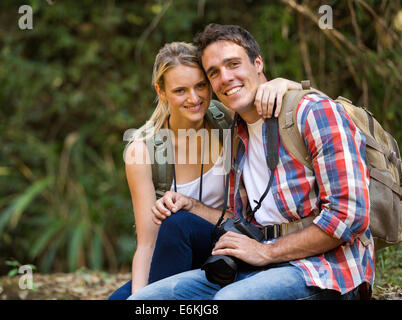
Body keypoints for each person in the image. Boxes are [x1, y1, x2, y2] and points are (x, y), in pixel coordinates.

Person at [128, 24, 374, 300]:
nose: (226, 78)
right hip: (257, 263)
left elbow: (348, 217)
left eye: (233, 64)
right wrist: (192, 206)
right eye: (214, 73)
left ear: (258, 63)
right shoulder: (237, 133)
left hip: (325, 269)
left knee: (227, 300)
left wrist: (267, 252)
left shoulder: (313, 113)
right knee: (144, 301)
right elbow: (240, 219)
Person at [109, 41, 304, 299]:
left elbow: (271, 94)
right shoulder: (143, 151)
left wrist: (286, 83)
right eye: (180, 90)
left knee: (178, 221)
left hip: (232, 242)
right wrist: (140, 298)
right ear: (161, 91)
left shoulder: (227, 117)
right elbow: (147, 244)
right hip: (175, 253)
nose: (194, 98)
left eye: (200, 86)